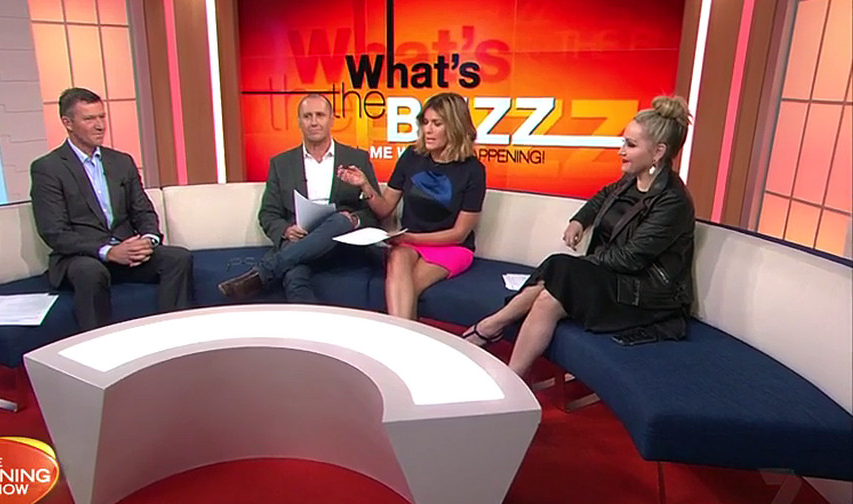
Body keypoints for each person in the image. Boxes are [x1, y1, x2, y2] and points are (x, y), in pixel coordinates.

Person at [463, 95, 695, 378]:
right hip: (615, 279)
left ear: (658, 152)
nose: (621, 151)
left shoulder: (672, 201)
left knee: (562, 269)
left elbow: (630, 259)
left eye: (631, 145)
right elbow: (602, 197)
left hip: (645, 298)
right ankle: (513, 375)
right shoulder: (631, 180)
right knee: (549, 297)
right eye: (624, 142)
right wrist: (579, 220)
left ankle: (490, 327)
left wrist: (581, 267)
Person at [30, 87, 193, 331]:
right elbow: (54, 232)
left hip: (126, 252)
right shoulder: (48, 168)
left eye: (102, 117)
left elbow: (142, 210)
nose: (100, 126)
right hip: (82, 256)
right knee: (90, 272)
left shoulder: (121, 162)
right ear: (68, 123)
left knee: (178, 258)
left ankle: (173, 333)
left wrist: (147, 240)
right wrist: (108, 251)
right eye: (89, 119)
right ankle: (96, 343)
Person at [217, 93, 382, 302]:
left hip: (341, 243)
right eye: (307, 116)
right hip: (301, 241)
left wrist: (354, 220)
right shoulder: (281, 163)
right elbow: (268, 214)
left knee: (340, 220)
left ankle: (263, 273)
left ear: (332, 119)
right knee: (294, 276)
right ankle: (311, 323)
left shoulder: (356, 159)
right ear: (299, 122)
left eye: (320, 115)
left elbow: (374, 211)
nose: (314, 122)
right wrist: (286, 230)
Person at [337, 92, 486, 319]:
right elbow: (385, 208)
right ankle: (403, 335)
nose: (428, 130)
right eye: (425, 122)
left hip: (450, 247)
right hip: (408, 245)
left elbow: (459, 234)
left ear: (455, 127)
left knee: (405, 290)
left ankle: (397, 335)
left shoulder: (473, 170)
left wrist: (409, 237)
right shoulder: (411, 156)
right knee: (398, 261)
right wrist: (365, 185)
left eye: (437, 124)